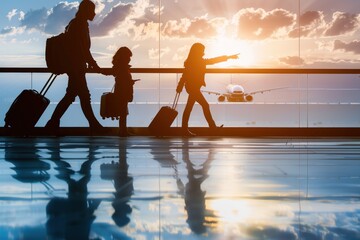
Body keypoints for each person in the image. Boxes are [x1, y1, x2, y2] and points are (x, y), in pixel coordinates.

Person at [45, 0, 103, 134]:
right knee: (81, 96)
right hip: (76, 67)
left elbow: (80, 49)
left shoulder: (76, 24)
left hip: (75, 67)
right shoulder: (79, 25)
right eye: (92, 10)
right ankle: (94, 126)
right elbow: (82, 49)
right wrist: (94, 64)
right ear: (86, 11)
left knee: (73, 95)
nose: (94, 13)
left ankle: (53, 123)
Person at [176, 43, 238, 136]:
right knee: (204, 105)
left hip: (192, 87)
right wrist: (228, 57)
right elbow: (213, 61)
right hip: (193, 88)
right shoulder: (197, 61)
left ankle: (185, 129)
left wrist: (180, 86)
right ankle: (212, 128)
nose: (203, 51)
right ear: (197, 51)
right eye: (201, 49)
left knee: (190, 108)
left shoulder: (193, 61)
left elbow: (184, 75)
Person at [102, 47, 136, 137]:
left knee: (123, 112)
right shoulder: (123, 68)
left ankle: (123, 130)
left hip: (121, 90)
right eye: (128, 57)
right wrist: (130, 82)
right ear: (124, 57)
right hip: (123, 91)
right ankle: (123, 131)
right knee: (123, 112)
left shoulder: (119, 67)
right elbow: (123, 80)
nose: (129, 59)